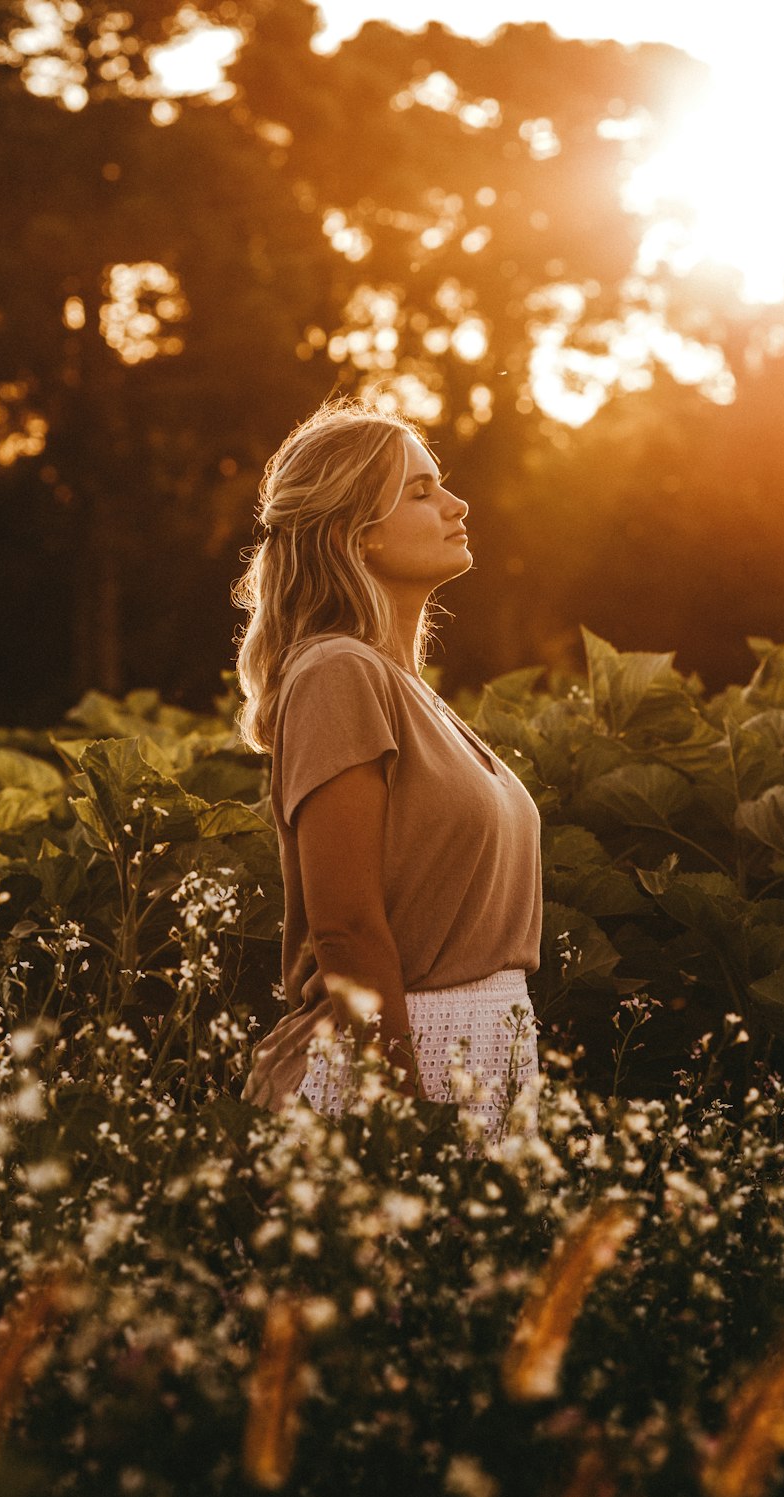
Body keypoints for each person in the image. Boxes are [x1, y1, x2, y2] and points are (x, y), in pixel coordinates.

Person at [232, 397, 543, 1133]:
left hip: (479, 1062)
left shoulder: (403, 687)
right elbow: (345, 927)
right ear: (352, 535)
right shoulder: (337, 672)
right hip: (398, 1073)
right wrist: (400, 1115)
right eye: (422, 490)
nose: (458, 504)